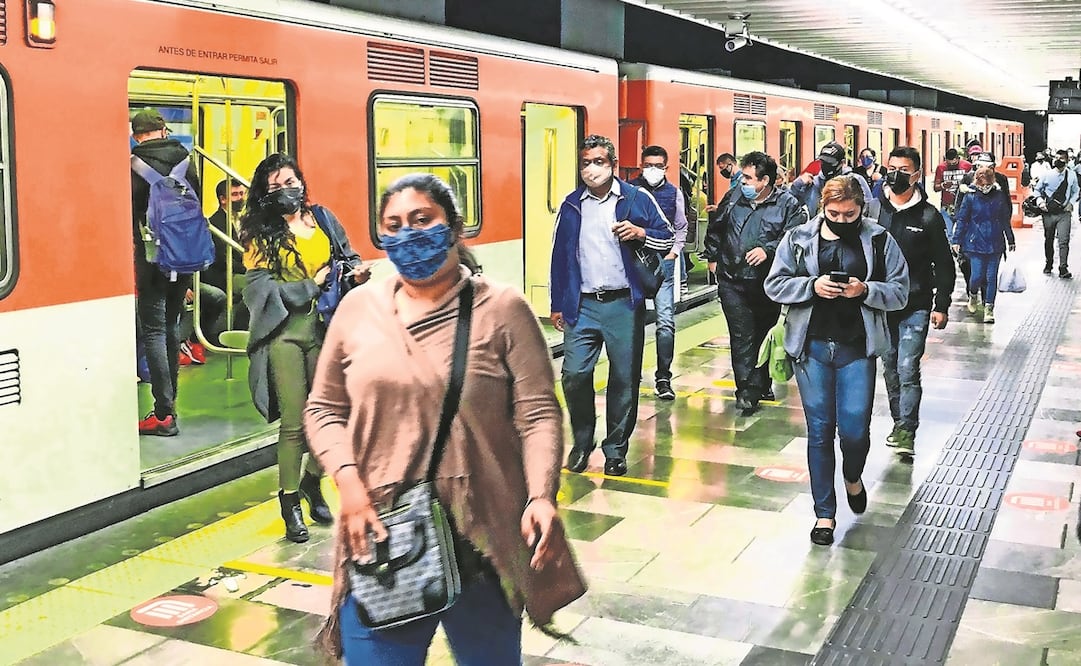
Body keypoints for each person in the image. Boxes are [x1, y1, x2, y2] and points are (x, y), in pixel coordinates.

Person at [304, 173, 581, 664]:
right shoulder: (359, 308)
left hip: (482, 538)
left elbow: (538, 412)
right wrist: (348, 485)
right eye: (393, 225)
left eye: (422, 220)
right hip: (383, 533)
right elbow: (323, 408)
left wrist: (541, 494)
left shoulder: (503, 309)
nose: (408, 234)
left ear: (453, 226)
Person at [764, 176, 909, 546]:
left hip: (857, 348)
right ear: (822, 208)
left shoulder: (880, 239)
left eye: (850, 214)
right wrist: (811, 286)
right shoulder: (798, 239)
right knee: (819, 431)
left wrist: (865, 290)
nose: (842, 220)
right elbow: (774, 284)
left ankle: (853, 476)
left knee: (855, 430)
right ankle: (824, 514)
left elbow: (900, 292)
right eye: (834, 214)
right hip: (811, 348)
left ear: (862, 208)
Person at [240, 153, 369, 542]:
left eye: (290, 182)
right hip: (286, 334)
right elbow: (259, 293)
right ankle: (290, 501)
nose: (285, 191)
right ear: (264, 194)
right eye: (275, 186)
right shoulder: (259, 235)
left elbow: (348, 257)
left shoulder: (323, 219)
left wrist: (354, 275)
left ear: (301, 181)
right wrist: (311, 286)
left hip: (327, 330)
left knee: (335, 416)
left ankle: (314, 479)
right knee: (295, 423)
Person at [550, 134, 674, 478]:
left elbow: (668, 237)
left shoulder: (636, 199)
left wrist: (641, 234)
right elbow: (560, 257)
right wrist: (558, 303)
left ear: (613, 164)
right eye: (586, 163)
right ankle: (582, 440)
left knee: (624, 377)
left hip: (623, 304)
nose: (592, 169)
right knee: (574, 375)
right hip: (583, 305)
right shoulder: (572, 205)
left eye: (599, 162)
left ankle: (616, 449)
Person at [703, 151, 807, 415]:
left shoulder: (788, 205)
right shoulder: (734, 198)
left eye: (749, 178)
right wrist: (713, 257)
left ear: (765, 181)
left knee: (763, 334)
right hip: (732, 280)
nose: (743, 182)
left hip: (767, 284)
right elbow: (716, 227)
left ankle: (762, 382)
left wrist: (768, 250)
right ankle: (746, 391)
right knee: (742, 336)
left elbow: (794, 238)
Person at [875, 147, 956, 455]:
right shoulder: (873, 211)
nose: (896, 175)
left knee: (907, 366)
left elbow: (944, 263)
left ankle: (907, 429)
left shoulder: (929, 217)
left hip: (916, 303)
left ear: (917, 175)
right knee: (890, 368)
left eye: (904, 170)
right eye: (891, 168)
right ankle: (899, 422)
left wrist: (942, 304)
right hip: (881, 304)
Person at [130, 107, 200, 437]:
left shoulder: (133, 165)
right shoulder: (186, 160)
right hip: (185, 256)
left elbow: (131, 213)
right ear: (163, 130)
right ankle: (170, 408)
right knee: (171, 326)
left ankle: (164, 414)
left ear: (136, 135)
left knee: (154, 331)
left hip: (152, 258)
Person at [630, 145, 687, 401]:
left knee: (665, 323)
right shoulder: (630, 190)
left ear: (666, 167)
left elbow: (681, 226)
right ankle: (630, 375)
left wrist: (673, 253)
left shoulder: (674, 193)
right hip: (633, 267)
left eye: (658, 166)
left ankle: (663, 378)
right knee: (633, 325)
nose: (652, 170)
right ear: (641, 166)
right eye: (648, 165)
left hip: (663, 265)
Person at [951, 166, 1015, 324]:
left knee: (991, 277)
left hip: (995, 242)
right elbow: (962, 219)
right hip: (975, 242)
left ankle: (989, 308)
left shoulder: (999, 196)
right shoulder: (970, 197)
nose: (985, 187)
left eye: (988, 184)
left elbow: (1004, 218)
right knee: (976, 276)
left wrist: (1010, 238)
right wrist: (956, 240)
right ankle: (973, 294)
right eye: (982, 184)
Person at [206, 179, 250, 335]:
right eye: (235, 194)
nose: (241, 198)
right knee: (255, 287)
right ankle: (238, 332)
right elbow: (223, 258)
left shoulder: (244, 220)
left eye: (242, 193)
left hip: (242, 270)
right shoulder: (214, 223)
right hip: (224, 273)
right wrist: (250, 268)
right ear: (223, 199)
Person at [791, 142, 877, 220]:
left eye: (830, 163)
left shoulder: (856, 180)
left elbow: (869, 209)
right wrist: (797, 185)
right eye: (823, 162)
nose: (826, 166)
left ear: (842, 163)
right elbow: (789, 206)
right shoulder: (813, 183)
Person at [1031, 149, 1078, 279]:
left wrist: (1071, 203)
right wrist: (1040, 202)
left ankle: (1063, 267)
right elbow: (1037, 190)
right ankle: (1049, 263)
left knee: (1064, 240)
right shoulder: (1046, 175)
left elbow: (1076, 191)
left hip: (1064, 213)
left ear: (1067, 161)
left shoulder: (1071, 175)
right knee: (1049, 239)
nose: (1058, 160)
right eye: (1056, 158)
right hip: (1048, 213)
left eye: (1061, 158)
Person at [932, 148, 972, 236]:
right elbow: (935, 187)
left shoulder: (967, 166)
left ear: (958, 158)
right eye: (949, 164)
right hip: (947, 206)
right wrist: (943, 185)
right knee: (947, 234)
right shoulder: (941, 167)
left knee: (964, 233)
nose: (952, 166)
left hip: (963, 205)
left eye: (954, 164)